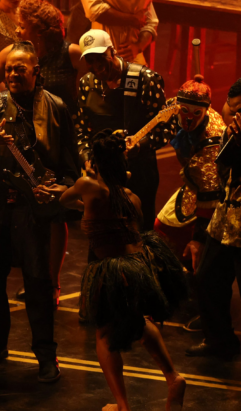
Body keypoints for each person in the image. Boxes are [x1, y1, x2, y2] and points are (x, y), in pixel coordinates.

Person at [39, 130, 186, 411]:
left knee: (104, 335)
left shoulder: (87, 185)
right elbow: (103, 212)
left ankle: (123, 406)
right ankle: (173, 376)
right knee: (140, 322)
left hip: (111, 270)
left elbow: (66, 200)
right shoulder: (130, 197)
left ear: (95, 162)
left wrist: (58, 191)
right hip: (138, 266)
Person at [0, 0, 88, 306]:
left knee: (57, 217)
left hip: (56, 135)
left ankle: (51, 283)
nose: (15, 30)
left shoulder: (68, 54)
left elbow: (90, 84)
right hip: (20, 139)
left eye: (22, 25)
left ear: (39, 30)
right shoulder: (10, 54)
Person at [0, 41, 78, 383]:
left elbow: (70, 165)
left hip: (34, 209)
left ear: (36, 73)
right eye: (9, 69)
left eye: (20, 69)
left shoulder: (56, 108)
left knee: (39, 283)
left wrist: (58, 188)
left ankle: (46, 354)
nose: (13, 74)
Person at [74, 29, 171, 231]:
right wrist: (86, 159)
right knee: (101, 238)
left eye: (100, 58)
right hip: (102, 175)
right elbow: (81, 130)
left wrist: (138, 147)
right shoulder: (86, 84)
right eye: (90, 61)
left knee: (138, 236)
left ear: (112, 51)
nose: (96, 66)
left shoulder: (146, 80)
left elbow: (166, 129)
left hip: (139, 173)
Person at [184, 78, 241, 359]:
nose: (235, 116)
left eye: (240, 110)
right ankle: (219, 339)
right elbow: (219, 171)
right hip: (226, 220)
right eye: (232, 110)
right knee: (207, 279)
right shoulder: (231, 132)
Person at [153, 77, 226, 262]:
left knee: (178, 236)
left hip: (215, 190)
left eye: (196, 113)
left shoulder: (212, 140)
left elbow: (209, 193)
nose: (189, 118)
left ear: (206, 111)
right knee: (161, 226)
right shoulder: (174, 109)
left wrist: (198, 239)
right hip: (195, 182)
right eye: (184, 111)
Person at [81, 0, 157, 65]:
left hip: (133, 58)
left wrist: (138, 46)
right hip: (101, 57)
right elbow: (94, 10)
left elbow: (151, 22)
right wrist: (131, 20)